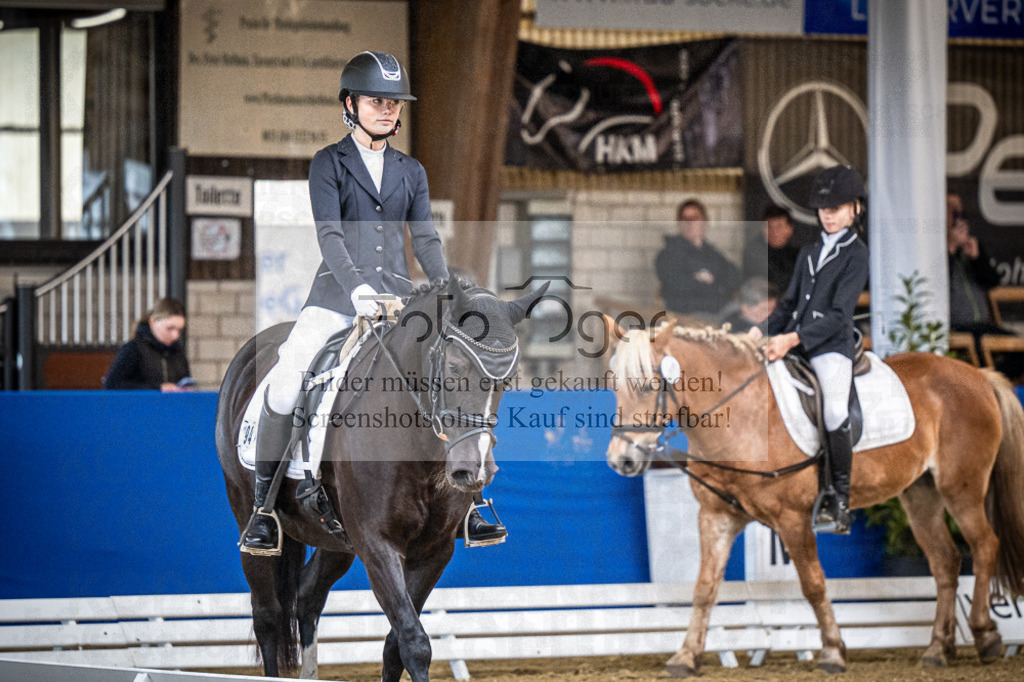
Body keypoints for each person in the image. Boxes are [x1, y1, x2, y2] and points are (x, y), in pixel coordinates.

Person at [242, 51, 505, 554]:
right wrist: (359, 289)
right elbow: (331, 235)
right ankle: (264, 509)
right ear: (350, 103)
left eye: (393, 102)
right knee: (287, 379)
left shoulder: (411, 171)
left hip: (402, 302)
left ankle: (472, 504)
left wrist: (447, 290)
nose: (387, 110)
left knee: (450, 376)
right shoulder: (328, 162)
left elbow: (425, 239)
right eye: (376, 101)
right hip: (337, 298)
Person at [748, 166, 870, 535]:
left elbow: (838, 316)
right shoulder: (809, 252)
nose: (828, 214)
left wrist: (791, 340)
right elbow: (786, 306)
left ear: (855, 209)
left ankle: (839, 498)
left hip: (830, 345)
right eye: (823, 208)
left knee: (834, 408)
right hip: (794, 340)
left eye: (836, 207)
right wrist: (760, 331)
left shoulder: (856, 254)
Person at [655, 199, 741, 318]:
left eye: (694, 218)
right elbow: (676, 286)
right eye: (685, 219)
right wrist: (713, 284)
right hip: (687, 315)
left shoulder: (712, 253)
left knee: (747, 310)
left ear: (704, 221)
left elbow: (734, 278)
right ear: (679, 223)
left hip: (720, 310)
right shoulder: (668, 254)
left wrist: (703, 279)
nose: (690, 223)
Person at [104, 298, 192, 391]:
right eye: (170, 328)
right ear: (153, 322)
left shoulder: (177, 351)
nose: (175, 335)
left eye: (179, 330)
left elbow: (185, 380)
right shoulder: (134, 349)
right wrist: (157, 389)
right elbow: (112, 384)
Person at [742, 205, 800, 292]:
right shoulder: (755, 252)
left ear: (789, 229)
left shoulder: (797, 254)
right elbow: (776, 281)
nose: (774, 232)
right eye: (769, 227)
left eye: (779, 227)